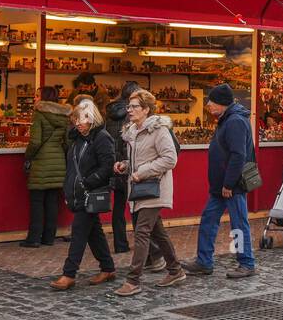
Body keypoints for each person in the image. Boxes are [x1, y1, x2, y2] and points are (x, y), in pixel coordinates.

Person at [114, 89, 184, 297]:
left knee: (142, 232)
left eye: (134, 106)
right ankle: (175, 270)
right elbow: (138, 161)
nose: (130, 110)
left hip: (154, 188)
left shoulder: (158, 130)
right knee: (157, 232)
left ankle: (133, 280)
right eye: (129, 106)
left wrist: (142, 172)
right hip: (138, 189)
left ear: (146, 109)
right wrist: (124, 166)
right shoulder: (133, 132)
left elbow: (170, 159)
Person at [183, 84, 257, 280]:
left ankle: (246, 263)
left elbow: (238, 155)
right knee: (208, 219)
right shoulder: (227, 119)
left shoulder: (234, 122)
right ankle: (204, 261)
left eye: (211, 101)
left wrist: (229, 184)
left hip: (231, 186)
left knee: (238, 223)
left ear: (222, 103)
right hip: (222, 185)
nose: (208, 104)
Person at [48, 99, 117, 290]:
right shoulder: (77, 139)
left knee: (79, 231)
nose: (78, 123)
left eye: (82, 119)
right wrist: (69, 187)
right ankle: (108, 267)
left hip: (92, 192)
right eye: (76, 119)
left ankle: (69, 273)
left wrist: (89, 181)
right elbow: (72, 167)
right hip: (80, 192)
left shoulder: (102, 138)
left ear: (92, 118)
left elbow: (107, 166)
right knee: (93, 232)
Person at [21, 86, 70, 248]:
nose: (35, 98)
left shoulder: (39, 114)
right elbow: (67, 142)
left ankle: (34, 238)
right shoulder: (64, 116)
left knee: (37, 202)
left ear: (43, 97)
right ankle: (49, 237)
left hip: (42, 161)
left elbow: (35, 141)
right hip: (58, 162)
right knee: (52, 202)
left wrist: (28, 156)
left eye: (37, 95)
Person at [104, 82, 136, 254]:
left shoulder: (109, 114)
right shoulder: (132, 116)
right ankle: (143, 244)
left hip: (113, 165)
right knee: (137, 205)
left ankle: (120, 244)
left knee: (118, 207)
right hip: (127, 165)